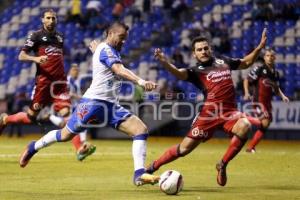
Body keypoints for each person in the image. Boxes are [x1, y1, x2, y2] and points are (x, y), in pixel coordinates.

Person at [19, 21, 160, 186]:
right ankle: (33, 147)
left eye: (125, 39)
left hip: (110, 106)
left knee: (140, 130)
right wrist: (141, 81)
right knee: (65, 135)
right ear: (110, 34)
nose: (124, 41)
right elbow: (119, 70)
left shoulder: (107, 49)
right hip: (93, 103)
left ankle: (139, 174)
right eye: (121, 37)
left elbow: (105, 57)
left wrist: (96, 51)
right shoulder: (106, 50)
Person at [145, 28, 268, 187]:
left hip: (230, 113)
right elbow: (179, 73)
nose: (203, 51)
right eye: (199, 50)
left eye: (205, 48)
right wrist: (164, 62)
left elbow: (245, 63)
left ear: (210, 49)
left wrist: (259, 48)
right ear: (194, 54)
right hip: (208, 115)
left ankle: (222, 164)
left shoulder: (223, 61)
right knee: (184, 149)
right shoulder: (196, 71)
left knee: (245, 125)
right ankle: (153, 167)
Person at [0, 9, 95, 160]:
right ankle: (5, 119)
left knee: (68, 116)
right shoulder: (36, 36)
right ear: (42, 20)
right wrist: (36, 59)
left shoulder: (60, 38)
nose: (51, 20)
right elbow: (21, 55)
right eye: (48, 18)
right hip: (43, 84)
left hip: (59, 84)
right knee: (30, 117)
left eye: (53, 18)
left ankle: (79, 149)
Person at [243, 48, 289, 153]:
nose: (270, 58)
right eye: (267, 55)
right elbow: (246, 79)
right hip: (259, 101)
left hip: (267, 102)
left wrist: (282, 96)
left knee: (266, 124)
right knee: (265, 122)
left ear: (275, 58)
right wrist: (246, 93)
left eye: (272, 56)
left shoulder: (275, 73)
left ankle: (251, 147)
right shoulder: (259, 69)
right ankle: (244, 117)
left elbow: (276, 88)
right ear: (264, 57)